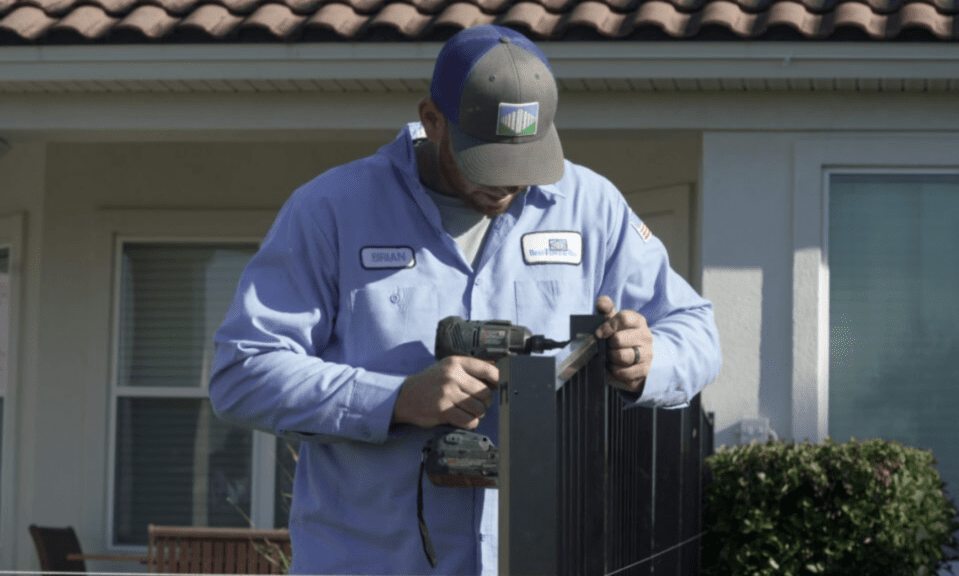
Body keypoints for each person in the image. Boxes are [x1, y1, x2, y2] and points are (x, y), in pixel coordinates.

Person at [208, 24, 722, 575]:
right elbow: (243, 373)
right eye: (487, 162)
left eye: (523, 163)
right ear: (433, 121)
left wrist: (648, 359)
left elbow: (696, 331)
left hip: (542, 558)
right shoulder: (332, 210)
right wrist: (396, 399)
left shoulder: (590, 206)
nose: (506, 186)